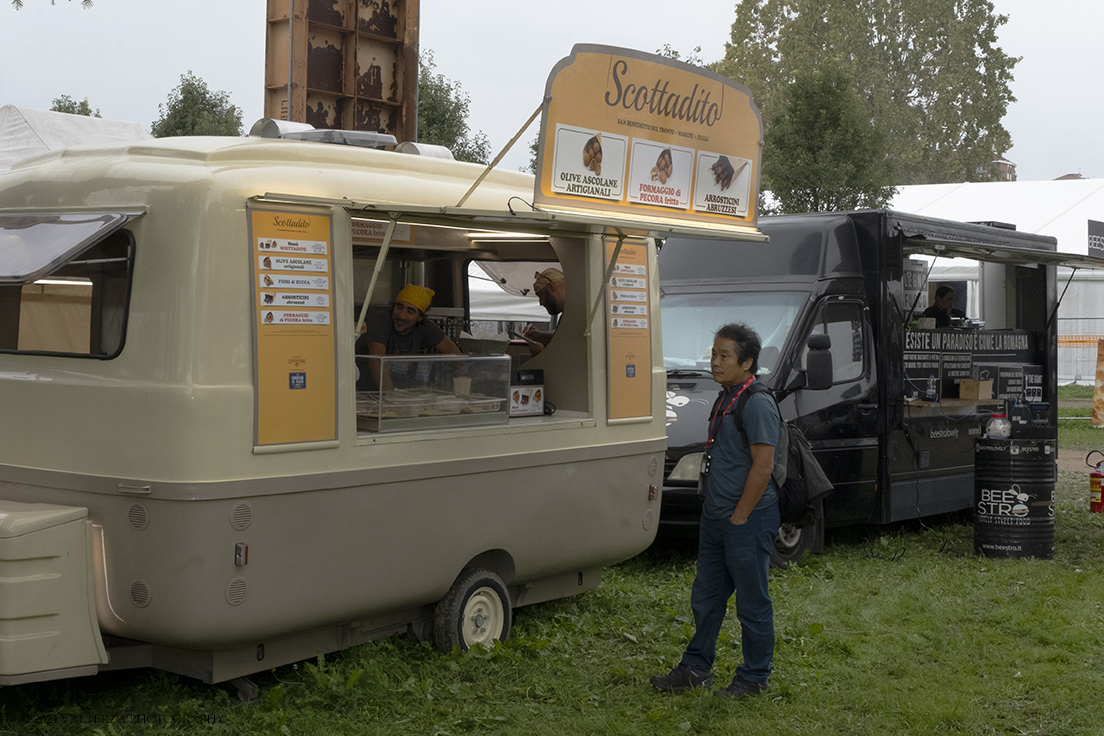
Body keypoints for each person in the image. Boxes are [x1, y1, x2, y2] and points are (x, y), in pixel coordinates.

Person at [651, 323, 782, 700]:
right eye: (713, 354)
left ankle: (753, 678)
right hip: (715, 518)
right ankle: (695, 668)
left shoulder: (756, 402)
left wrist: (740, 515)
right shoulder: (725, 396)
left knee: (752, 602)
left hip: (747, 518)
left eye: (725, 355)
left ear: (747, 362)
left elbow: (763, 465)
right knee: (706, 597)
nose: (715, 362)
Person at [355, 284, 460, 390]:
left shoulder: (424, 327)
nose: (401, 315)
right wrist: (390, 396)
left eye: (410, 311)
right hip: (366, 393)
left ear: (420, 317)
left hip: (400, 392)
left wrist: (463, 388)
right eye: (399, 307)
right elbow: (376, 360)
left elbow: (456, 355)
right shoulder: (382, 320)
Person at [522, 268, 565, 356]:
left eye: (541, 295)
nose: (541, 303)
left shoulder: (578, 313)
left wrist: (542, 353)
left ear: (550, 288)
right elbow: (563, 336)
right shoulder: (568, 314)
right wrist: (539, 335)